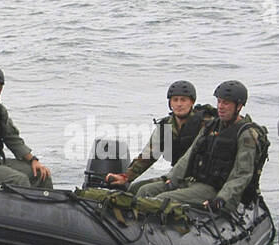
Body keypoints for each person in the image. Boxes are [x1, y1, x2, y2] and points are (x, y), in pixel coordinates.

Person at [134, 81, 267, 212]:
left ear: (238, 106)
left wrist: (222, 198)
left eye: (226, 103)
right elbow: (188, 157)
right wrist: (170, 179)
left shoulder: (246, 134)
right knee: (145, 190)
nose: (220, 106)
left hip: (216, 189)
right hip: (194, 182)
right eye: (219, 102)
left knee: (162, 199)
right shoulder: (211, 126)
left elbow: (242, 174)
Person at [106, 80, 214, 192]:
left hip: (201, 179)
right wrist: (126, 177)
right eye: (175, 100)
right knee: (134, 188)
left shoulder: (206, 124)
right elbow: (148, 156)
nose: (179, 104)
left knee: (146, 191)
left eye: (183, 100)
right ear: (170, 103)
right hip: (177, 177)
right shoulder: (165, 127)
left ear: (192, 102)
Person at [0, 65, 54, 188]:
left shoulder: (0, 112)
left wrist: (33, 160)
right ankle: (24, 207)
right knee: (19, 180)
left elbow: (12, 139)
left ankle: (49, 206)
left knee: (41, 174)